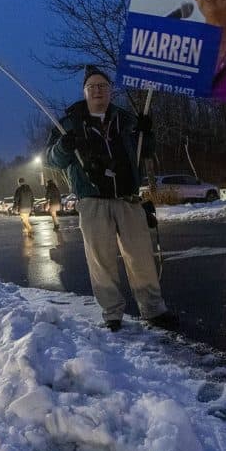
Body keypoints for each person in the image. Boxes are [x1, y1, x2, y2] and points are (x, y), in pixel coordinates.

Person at [45, 65, 178, 332]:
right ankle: (112, 312)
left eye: (102, 86)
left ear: (110, 91)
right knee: (101, 259)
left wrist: (146, 132)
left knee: (140, 255)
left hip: (128, 198)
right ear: (84, 92)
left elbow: (145, 151)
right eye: (92, 86)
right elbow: (53, 159)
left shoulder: (125, 119)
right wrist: (63, 146)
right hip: (93, 200)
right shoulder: (69, 123)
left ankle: (152, 308)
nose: (97, 90)